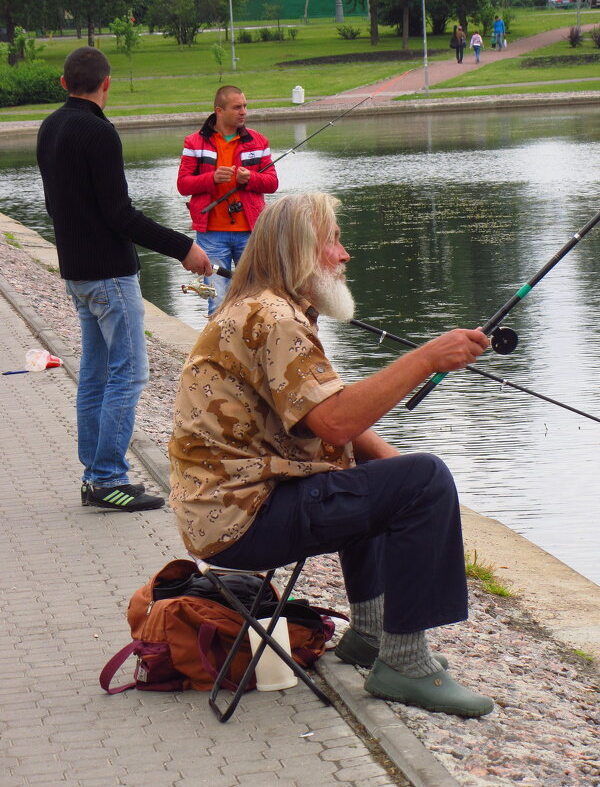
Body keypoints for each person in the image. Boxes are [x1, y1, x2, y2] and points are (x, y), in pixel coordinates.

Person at [169, 193, 495, 718]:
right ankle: (405, 666)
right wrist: (429, 357)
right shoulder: (274, 319)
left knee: (387, 476)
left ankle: (368, 637)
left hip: (227, 513)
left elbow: (329, 418)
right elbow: (338, 420)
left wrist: (392, 468)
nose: (345, 255)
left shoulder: (264, 308)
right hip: (244, 520)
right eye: (333, 242)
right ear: (300, 252)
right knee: (427, 478)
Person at [37, 47, 212, 513]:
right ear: (106, 83)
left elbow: (57, 206)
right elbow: (120, 215)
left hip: (77, 273)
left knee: (95, 375)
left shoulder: (50, 126)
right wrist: (185, 248)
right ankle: (108, 478)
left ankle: (95, 478)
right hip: (111, 276)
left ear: (63, 83)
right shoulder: (98, 132)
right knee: (129, 372)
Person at [177, 86, 278, 316]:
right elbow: (183, 185)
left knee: (256, 299)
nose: (244, 111)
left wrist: (250, 178)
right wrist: (210, 178)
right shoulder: (194, 143)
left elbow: (272, 182)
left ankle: (253, 350)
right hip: (211, 234)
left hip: (251, 232)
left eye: (245, 106)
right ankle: (219, 351)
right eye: (237, 107)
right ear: (219, 110)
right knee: (217, 300)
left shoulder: (258, 141)